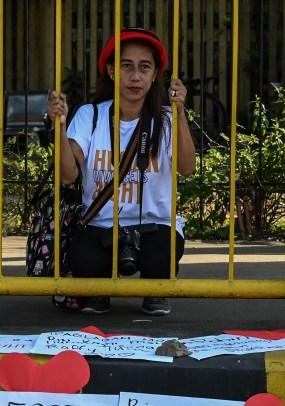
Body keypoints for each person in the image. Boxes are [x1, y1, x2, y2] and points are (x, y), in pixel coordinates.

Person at [46, 28, 195, 316]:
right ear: (112, 72)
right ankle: (97, 293)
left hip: (155, 226)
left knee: (162, 254)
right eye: (126, 66)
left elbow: (187, 169)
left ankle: (155, 292)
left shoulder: (165, 119)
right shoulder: (91, 115)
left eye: (144, 67)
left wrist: (180, 113)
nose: (135, 76)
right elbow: (67, 175)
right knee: (84, 257)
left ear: (154, 76)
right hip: (102, 225)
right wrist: (60, 127)